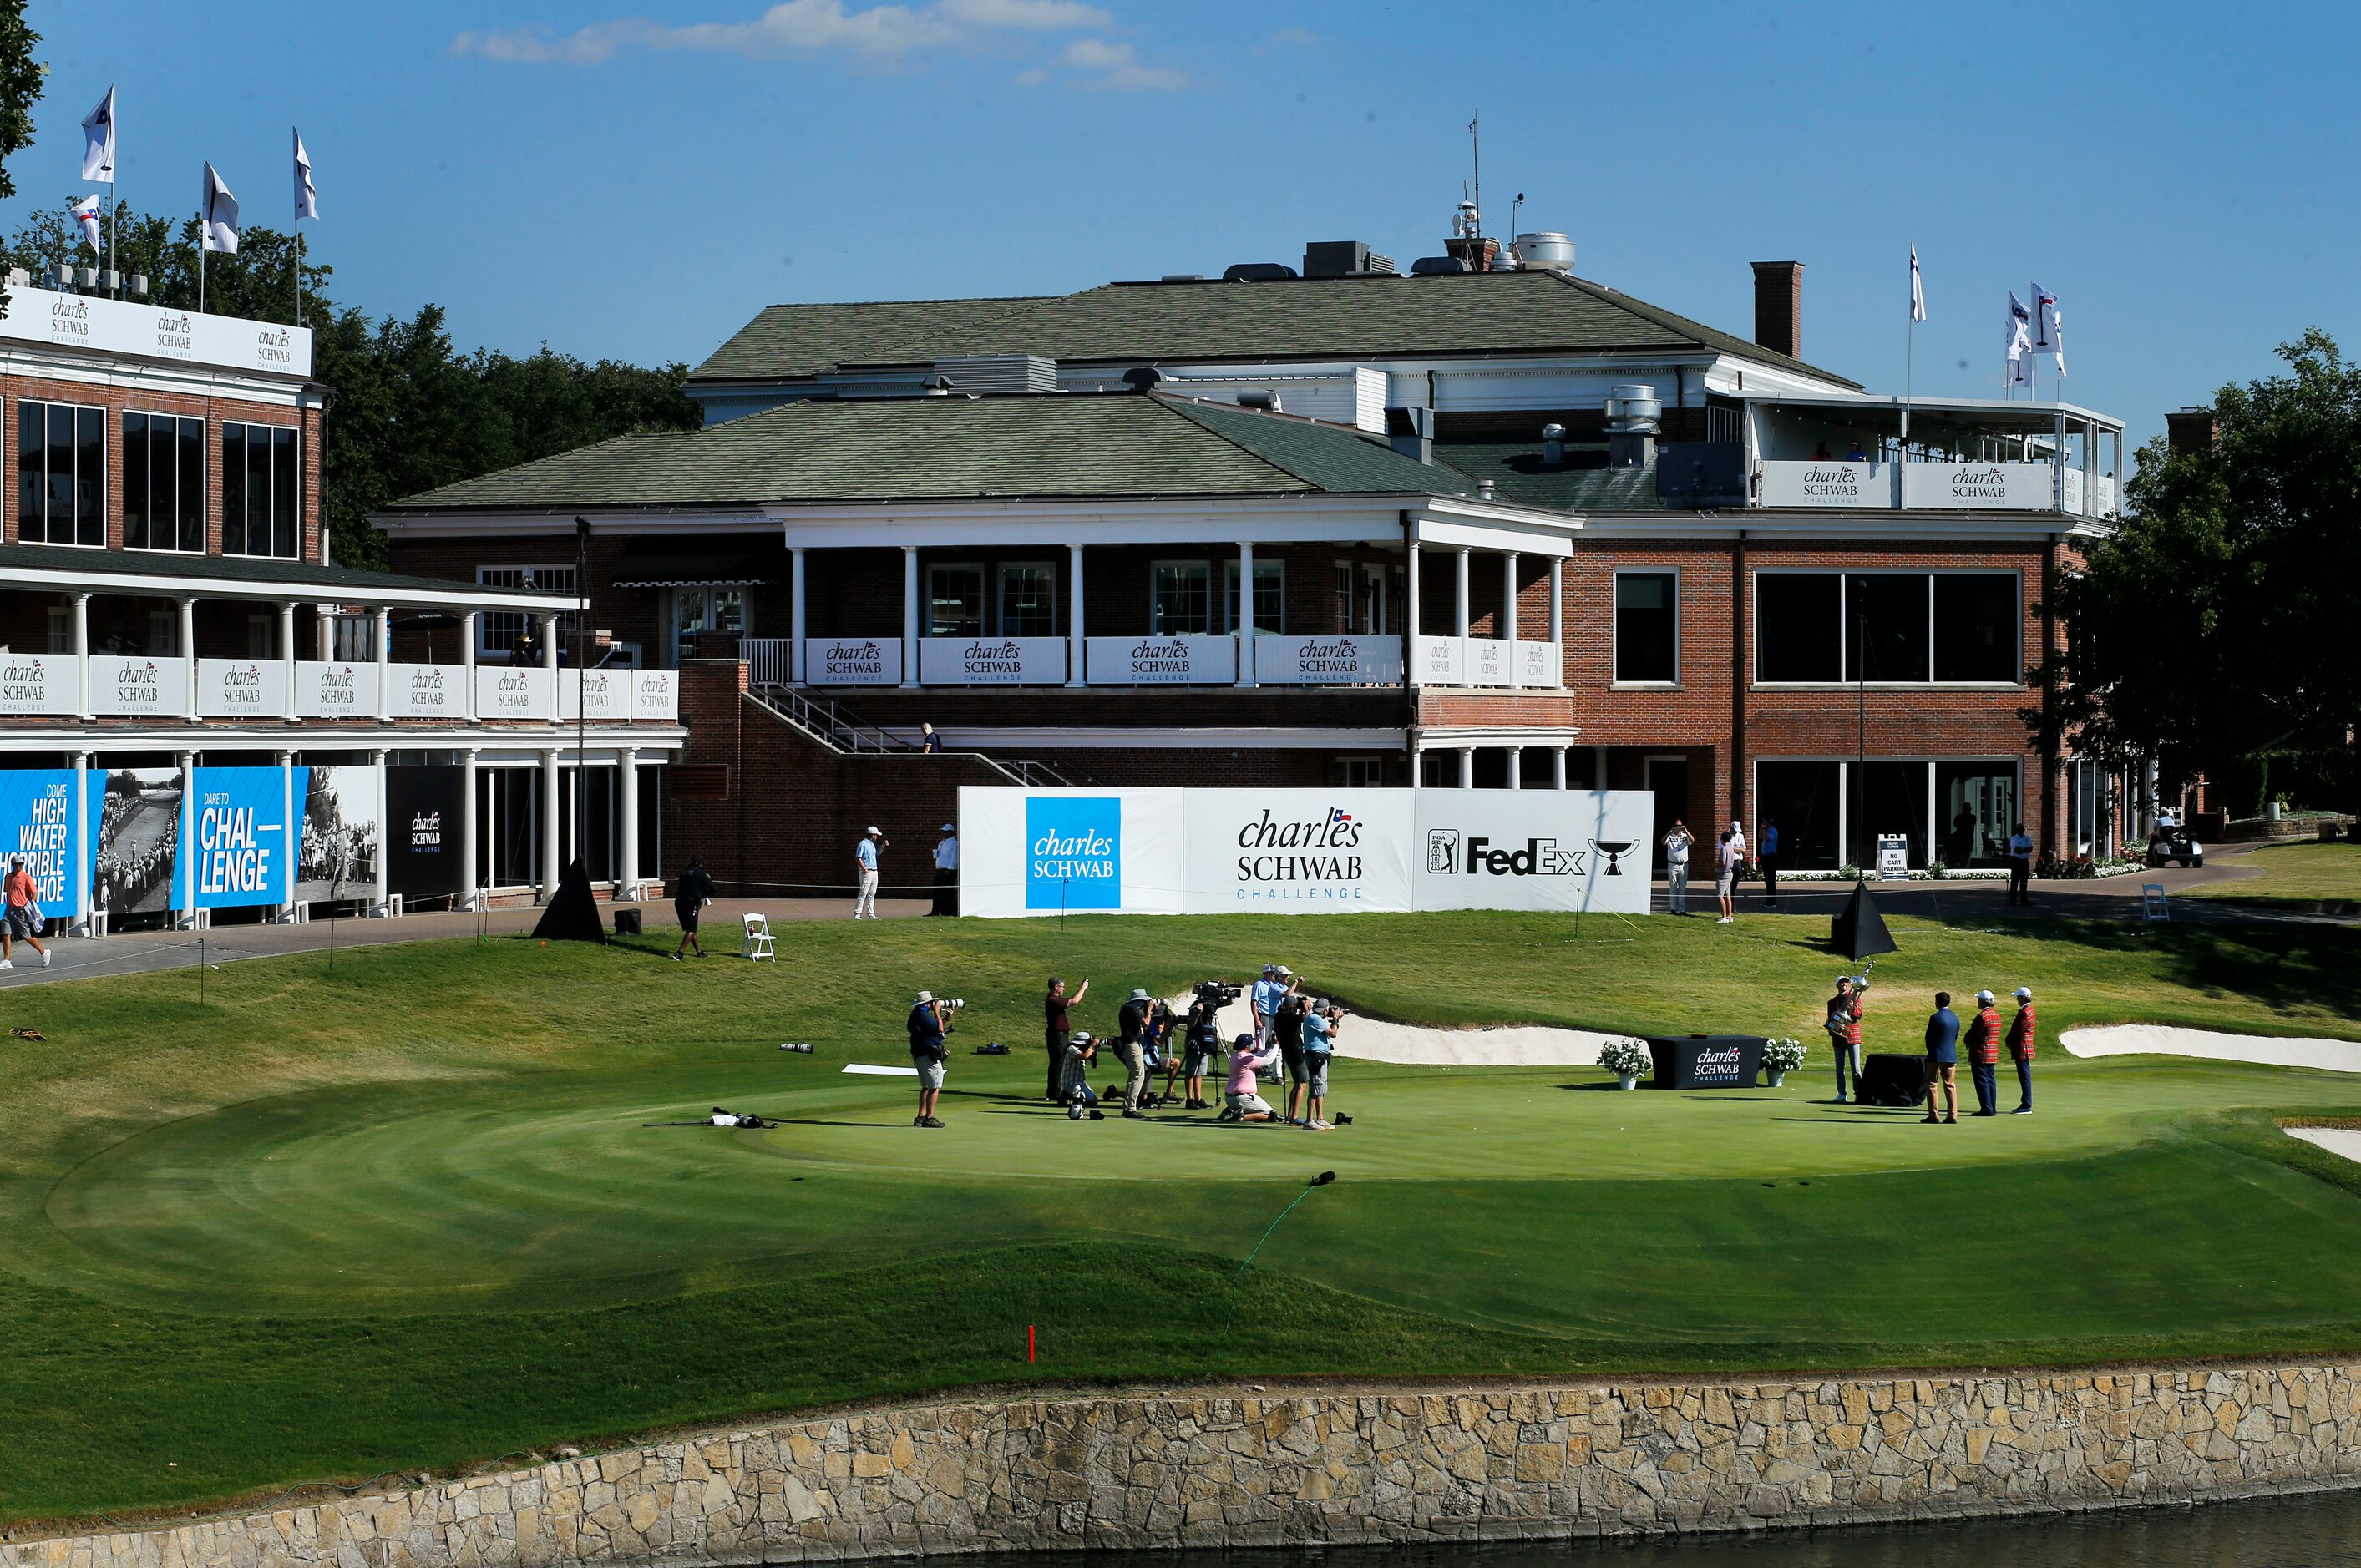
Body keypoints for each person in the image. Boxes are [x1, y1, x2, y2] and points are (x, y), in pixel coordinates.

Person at [907, 990, 952, 1128]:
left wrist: (946, 1018)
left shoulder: (917, 1015)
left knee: (926, 1086)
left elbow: (936, 1028)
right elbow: (938, 1028)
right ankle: (929, 1117)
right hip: (928, 1056)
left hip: (920, 1055)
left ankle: (921, 1117)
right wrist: (938, 1012)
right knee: (934, 1087)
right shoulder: (922, 1015)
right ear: (927, 1003)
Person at [1044, 976, 1089, 1100]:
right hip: (1057, 1036)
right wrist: (1083, 988)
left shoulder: (1055, 1000)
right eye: (1062, 986)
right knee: (1057, 1064)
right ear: (1056, 987)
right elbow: (1074, 1001)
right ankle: (1054, 1093)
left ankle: (1055, 1091)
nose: (1064, 989)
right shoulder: (1053, 1000)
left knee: (1059, 1063)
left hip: (1060, 1035)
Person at [1219, 1030, 1279, 1123]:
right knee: (1271, 1115)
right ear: (1247, 1046)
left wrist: (1273, 1046)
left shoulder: (1236, 1056)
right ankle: (1240, 1117)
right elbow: (1268, 1060)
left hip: (1230, 1099)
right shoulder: (1247, 1060)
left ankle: (1231, 1111)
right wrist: (1277, 1045)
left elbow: (1261, 1054)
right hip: (1243, 1098)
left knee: (1265, 1114)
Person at [1113, 987, 1155, 1118]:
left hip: (1134, 1043)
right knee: (1138, 1075)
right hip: (1132, 1044)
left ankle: (1129, 1106)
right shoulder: (1130, 1009)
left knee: (1136, 1075)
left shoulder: (1129, 1009)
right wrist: (1148, 1011)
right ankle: (1130, 1108)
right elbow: (1146, 1023)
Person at [1300, 999, 1340, 1130]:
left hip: (1320, 1056)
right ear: (1325, 1010)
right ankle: (1309, 1120)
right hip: (1315, 1056)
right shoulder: (1315, 1019)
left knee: (1321, 1088)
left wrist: (1336, 1020)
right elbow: (1333, 1033)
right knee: (1316, 1088)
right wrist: (1335, 1020)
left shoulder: (1315, 1019)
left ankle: (1320, 1118)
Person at [1824, 974, 1864, 1103]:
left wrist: (1852, 1008)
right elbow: (1831, 1019)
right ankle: (1842, 1094)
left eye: (1846, 983)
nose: (1844, 985)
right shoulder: (1831, 1002)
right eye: (1841, 983)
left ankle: (1859, 1094)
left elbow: (1858, 1016)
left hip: (1852, 1035)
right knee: (1839, 1068)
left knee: (1856, 1068)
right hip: (1838, 1037)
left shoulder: (1855, 999)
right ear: (1837, 985)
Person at [1, 858, 48, 969]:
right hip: (9, 910)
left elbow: (34, 893)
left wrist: (31, 905)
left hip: (21, 911)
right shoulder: (7, 877)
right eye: (18, 864)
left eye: (21, 864)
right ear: (13, 865)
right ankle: (7, 960)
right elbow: (8, 892)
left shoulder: (26, 877)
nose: (20, 866)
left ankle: (44, 952)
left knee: (26, 936)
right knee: (6, 933)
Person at [1923, 992, 1961, 1125]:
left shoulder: (1935, 1018)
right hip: (1951, 1055)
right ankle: (1953, 1114)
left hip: (1936, 1056)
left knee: (1932, 1084)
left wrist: (1931, 1050)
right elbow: (1955, 1037)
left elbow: (1929, 1037)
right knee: (1950, 1085)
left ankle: (1934, 1114)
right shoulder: (1955, 1018)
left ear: (1938, 1002)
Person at [1181, 991, 1224, 1110]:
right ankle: (1190, 1100)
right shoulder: (1196, 1005)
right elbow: (1190, 1026)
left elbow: (1229, 1002)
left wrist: (1229, 995)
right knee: (1191, 1072)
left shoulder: (1211, 1005)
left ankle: (1198, 1099)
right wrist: (1198, 1013)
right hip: (1194, 1040)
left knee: (1200, 1072)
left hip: (1206, 1041)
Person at [1274, 989, 1310, 1125]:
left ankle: (1290, 1116)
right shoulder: (1289, 1016)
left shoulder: (1279, 1016)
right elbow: (1303, 1019)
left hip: (1287, 1051)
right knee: (1302, 1084)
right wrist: (1306, 1009)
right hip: (1296, 1051)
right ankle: (1294, 1117)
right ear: (1292, 1007)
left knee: (1297, 1084)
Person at [671, 854, 717, 960]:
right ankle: (679, 953)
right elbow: (713, 888)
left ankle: (699, 952)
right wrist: (704, 895)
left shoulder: (684, 872)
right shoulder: (701, 874)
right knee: (691, 928)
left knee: (689, 928)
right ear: (700, 864)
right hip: (691, 903)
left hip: (678, 901)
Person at [1964, 989, 2003, 1116]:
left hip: (1981, 1052)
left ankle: (1987, 1108)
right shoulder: (1996, 1015)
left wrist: (1967, 1039)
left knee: (1982, 1081)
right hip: (1992, 1052)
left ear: (1982, 1001)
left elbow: (1974, 1034)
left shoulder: (1982, 1016)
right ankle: (1992, 1107)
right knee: (1990, 1080)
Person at [2005, 986, 2037, 1113]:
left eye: (2018, 997)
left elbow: (2019, 1031)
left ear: (2024, 998)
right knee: (2024, 1076)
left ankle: (2026, 1105)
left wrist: (2008, 1040)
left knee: (2024, 1076)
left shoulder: (2025, 1012)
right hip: (2024, 1047)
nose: (2016, 999)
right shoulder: (2028, 1010)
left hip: (2023, 1048)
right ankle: (2026, 1103)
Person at [853, 826, 886, 919]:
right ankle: (857, 913)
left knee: (872, 893)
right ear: (873, 835)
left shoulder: (872, 844)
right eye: (876, 835)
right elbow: (858, 857)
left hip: (874, 871)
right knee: (863, 892)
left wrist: (883, 846)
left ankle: (870, 913)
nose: (877, 837)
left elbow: (877, 854)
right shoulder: (862, 844)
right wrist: (864, 869)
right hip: (867, 872)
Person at [1249, 964, 1286, 1047]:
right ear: (1265, 973)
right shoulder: (1259, 985)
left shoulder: (1273, 985)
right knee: (1264, 1040)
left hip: (1273, 1015)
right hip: (1264, 1015)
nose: (1273, 974)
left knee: (1273, 1039)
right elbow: (1254, 1003)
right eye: (1271, 973)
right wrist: (1257, 1020)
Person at [1663, 819, 1694, 915]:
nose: (1677, 828)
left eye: (1679, 826)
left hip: (1683, 865)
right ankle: (1673, 908)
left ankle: (1682, 909)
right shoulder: (1670, 837)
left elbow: (1692, 840)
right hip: (1672, 865)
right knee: (1673, 888)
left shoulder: (1685, 837)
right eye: (1676, 826)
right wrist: (1669, 832)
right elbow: (1662, 841)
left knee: (1682, 888)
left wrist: (1686, 831)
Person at [930, 823, 960, 917]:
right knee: (937, 892)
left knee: (947, 893)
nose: (943, 833)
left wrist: (950, 869)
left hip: (948, 871)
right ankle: (935, 911)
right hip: (940, 870)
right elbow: (939, 856)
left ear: (950, 832)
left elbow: (954, 856)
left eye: (945, 831)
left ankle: (948, 911)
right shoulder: (941, 843)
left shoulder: (954, 843)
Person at [2005, 820, 2034, 906]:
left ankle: (2024, 900)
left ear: (2023, 830)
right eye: (2018, 829)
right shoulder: (2014, 838)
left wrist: (2022, 849)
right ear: (2016, 830)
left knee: (2024, 882)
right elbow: (2016, 850)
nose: (2020, 831)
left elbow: (2030, 849)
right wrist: (2024, 850)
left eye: (2021, 829)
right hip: (2016, 861)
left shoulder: (2027, 838)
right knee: (2014, 881)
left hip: (2024, 861)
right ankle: (2012, 900)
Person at [1714, 830, 1739, 924]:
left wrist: (1716, 865)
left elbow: (1723, 862)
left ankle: (1724, 917)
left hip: (1723, 874)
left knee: (1719, 895)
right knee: (1727, 895)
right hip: (1730, 873)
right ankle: (1730, 916)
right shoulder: (1731, 848)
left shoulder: (1724, 849)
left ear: (1723, 839)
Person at [1757, 817, 1781, 908]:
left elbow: (1767, 838)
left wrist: (1763, 828)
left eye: (1764, 821)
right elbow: (1760, 836)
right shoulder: (1766, 830)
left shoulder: (1773, 831)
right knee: (1767, 880)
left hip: (1771, 857)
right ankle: (1768, 900)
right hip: (1765, 857)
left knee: (1771, 880)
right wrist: (1761, 828)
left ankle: (1772, 901)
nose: (1763, 822)